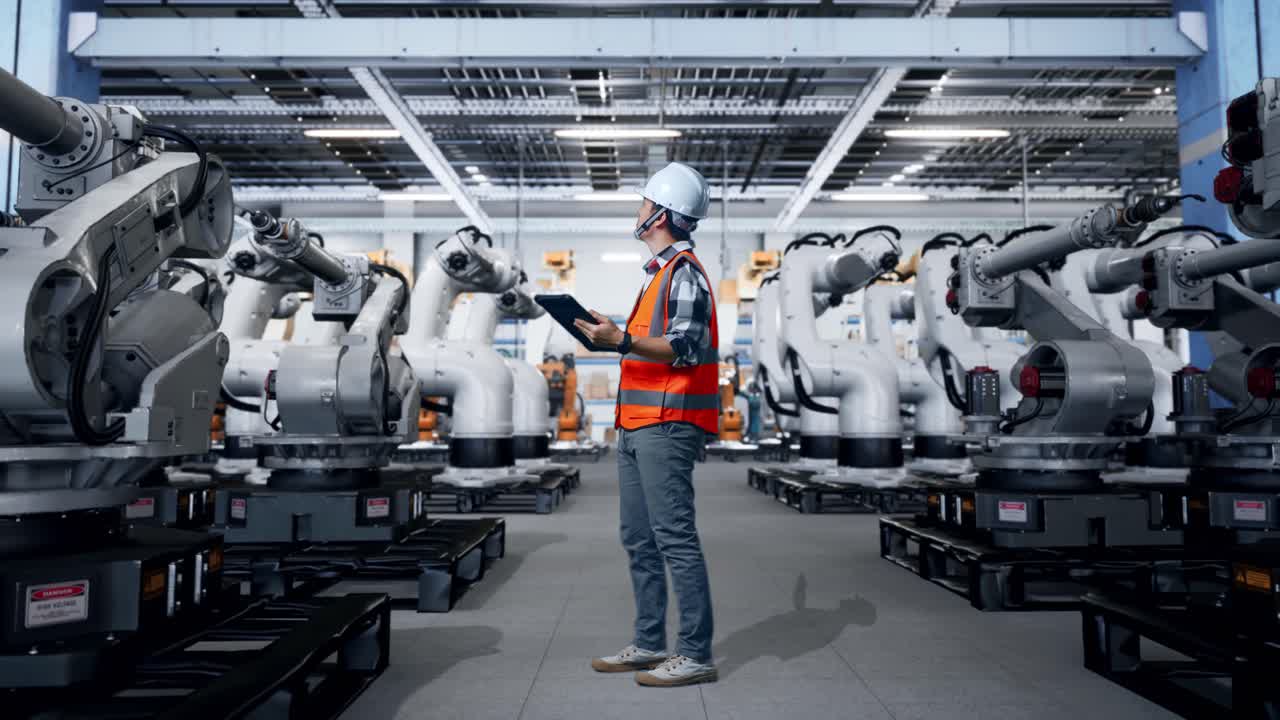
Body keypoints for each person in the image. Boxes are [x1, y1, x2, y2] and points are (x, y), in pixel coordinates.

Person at [573, 162, 719, 687]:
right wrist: (610, 335)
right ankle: (651, 642)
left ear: (660, 214)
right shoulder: (657, 275)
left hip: (667, 423)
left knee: (674, 538)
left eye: (642, 203)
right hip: (637, 424)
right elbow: (644, 346)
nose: (636, 211)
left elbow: (683, 347)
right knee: (638, 538)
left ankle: (695, 652)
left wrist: (622, 341)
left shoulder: (682, 271)